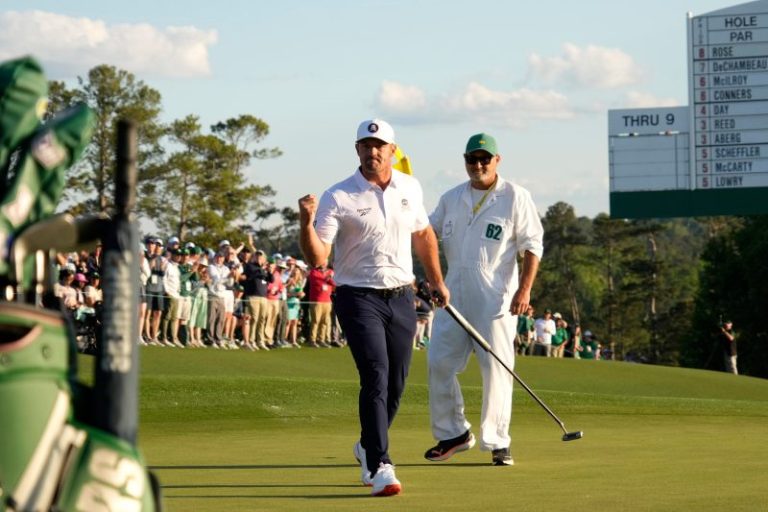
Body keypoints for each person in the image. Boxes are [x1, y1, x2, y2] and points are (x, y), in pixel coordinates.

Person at [298, 118, 449, 497]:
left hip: (401, 296)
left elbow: (423, 234)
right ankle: (380, 463)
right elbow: (318, 257)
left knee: (397, 381)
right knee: (376, 374)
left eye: (379, 145)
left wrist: (436, 280)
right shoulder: (338, 195)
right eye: (366, 146)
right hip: (357, 296)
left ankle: (366, 444)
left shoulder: (409, 187)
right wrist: (304, 222)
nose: (372, 151)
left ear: (392, 151)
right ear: (357, 150)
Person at [424, 132, 543, 467]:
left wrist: (525, 290)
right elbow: (426, 234)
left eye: (484, 159)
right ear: (464, 161)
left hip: (496, 298)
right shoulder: (450, 198)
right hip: (451, 293)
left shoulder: (515, 196)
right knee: (439, 363)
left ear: (497, 160)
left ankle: (497, 441)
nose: (477, 165)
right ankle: (453, 433)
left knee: (496, 369)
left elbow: (532, 246)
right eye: (471, 159)